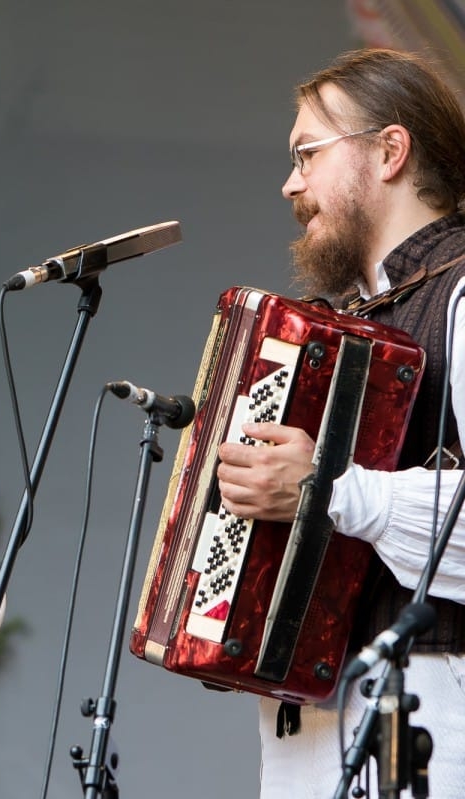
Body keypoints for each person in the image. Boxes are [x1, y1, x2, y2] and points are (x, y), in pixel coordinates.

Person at [216, 49, 465, 798]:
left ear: (390, 151)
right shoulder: (339, 330)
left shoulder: (461, 296)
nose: (290, 183)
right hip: (309, 725)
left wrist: (329, 489)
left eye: (307, 155)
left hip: (436, 714)